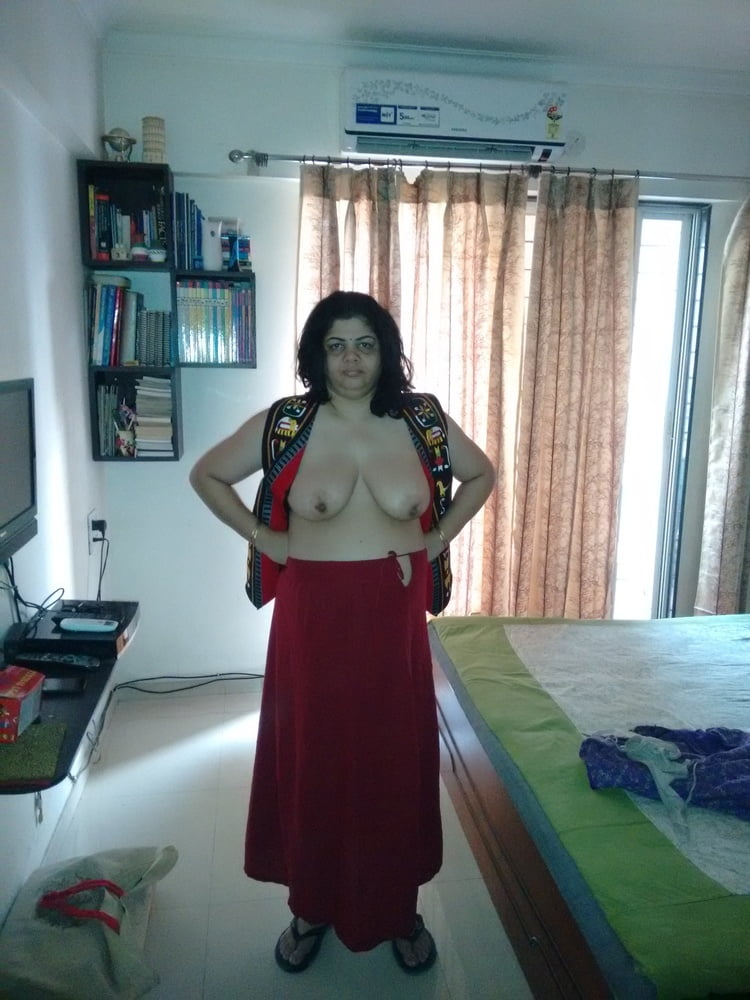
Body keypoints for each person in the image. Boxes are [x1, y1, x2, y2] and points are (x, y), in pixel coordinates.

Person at [190, 291, 495, 975]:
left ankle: (398, 907)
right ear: (316, 355)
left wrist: (436, 538)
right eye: (336, 345)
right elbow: (206, 474)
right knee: (314, 759)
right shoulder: (287, 423)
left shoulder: (422, 420)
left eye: (364, 344)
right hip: (313, 621)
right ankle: (310, 906)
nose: (351, 359)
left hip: (392, 622)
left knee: (393, 765)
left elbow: (482, 475)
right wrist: (266, 536)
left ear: (385, 352)